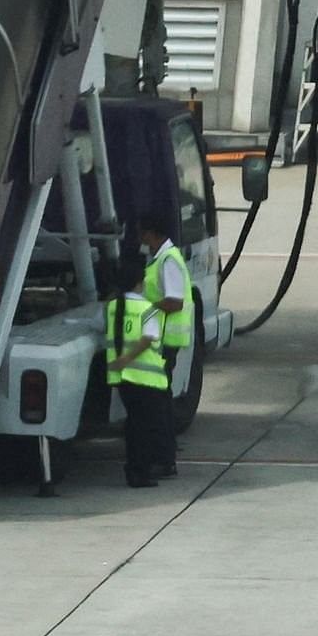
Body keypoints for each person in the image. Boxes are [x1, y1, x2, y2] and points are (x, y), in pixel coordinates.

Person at [103, 256, 173, 487]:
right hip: (147, 378)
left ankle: (133, 470)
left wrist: (122, 361)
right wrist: (128, 358)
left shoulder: (113, 306)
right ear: (139, 283)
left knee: (133, 426)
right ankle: (141, 472)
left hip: (123, 379)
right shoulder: (148, 309)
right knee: (147, 428)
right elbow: (147, 340)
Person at [138, 208, 192, 479]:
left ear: (152, 233)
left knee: (159, 403)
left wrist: (144, 309)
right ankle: (164, 455)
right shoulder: (161, 258)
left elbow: (174, 301)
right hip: (162, 340)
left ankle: (165, 458)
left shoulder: (168, 260)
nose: (141, 238)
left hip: (166, 341)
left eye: (143, 233)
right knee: (160, 400)